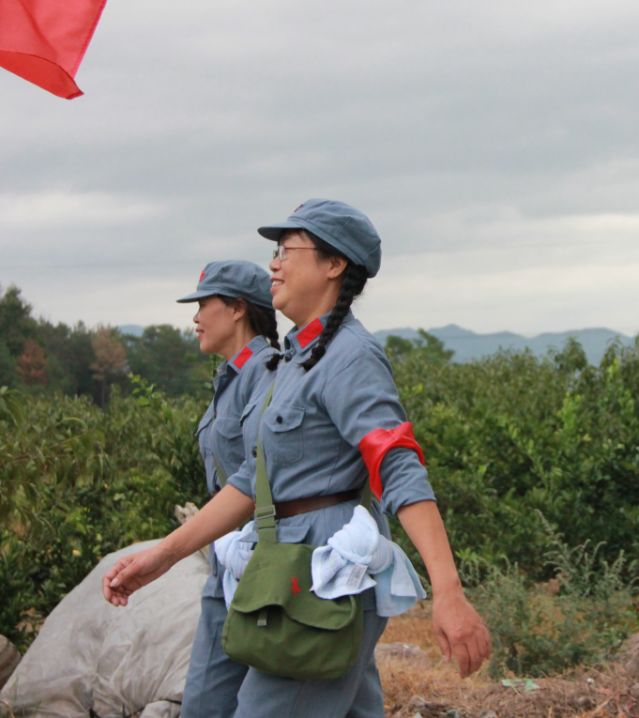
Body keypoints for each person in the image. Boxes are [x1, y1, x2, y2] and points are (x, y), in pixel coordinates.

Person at [104, 199, 491, 716]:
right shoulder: (295, 361)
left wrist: (448, 591)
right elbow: (253, 481)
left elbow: (396, 464)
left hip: (323, 577)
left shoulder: (350, 356)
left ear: (334, 265)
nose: (274, 264)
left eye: (288, 250)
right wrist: (164, 555)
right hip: (285, 569)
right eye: (275, 252)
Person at [174, 260, 279, 717]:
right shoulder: (231, 378)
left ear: (238, 308)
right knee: (204, 701)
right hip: (227, 564)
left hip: (263, 567)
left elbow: (261, 477)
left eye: (204, 304)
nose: (195, 317)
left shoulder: (270, 374)